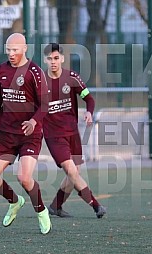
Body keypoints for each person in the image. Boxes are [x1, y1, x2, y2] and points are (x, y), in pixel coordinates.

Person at [0, 33, 52, 234]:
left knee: (24, 177)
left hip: (29, 134)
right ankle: (14, 201)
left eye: (15, 50)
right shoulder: (1, 71)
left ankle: (41, 211)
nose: (11, 54)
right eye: (8, 50)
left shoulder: (35, 72)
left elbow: (45, 104)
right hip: (6, 134)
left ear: (24, 49)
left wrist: (33, 121)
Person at [42, 43, 107, 218]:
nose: (53, 62)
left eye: (56, 58)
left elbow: (90, 99)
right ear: (45, 60)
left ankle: (56, 206)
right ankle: (95, 205)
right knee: (71, 171)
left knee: (75, 173)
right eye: (50, 59)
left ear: (62, 59)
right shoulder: (39, 82)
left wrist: (89, 112)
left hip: (72, 133)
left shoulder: (71, 77)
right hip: (53, 135)